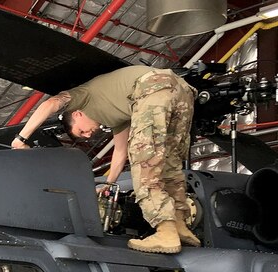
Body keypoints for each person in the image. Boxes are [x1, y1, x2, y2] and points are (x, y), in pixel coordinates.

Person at [11, 65, 199, 254]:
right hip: (181, 90)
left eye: (81, 131)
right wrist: (109, 184)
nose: (87, 135)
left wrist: (21, 138)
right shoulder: (118, 114)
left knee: (145, 161)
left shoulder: (83, 96)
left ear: (77, 114)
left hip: (151, 88)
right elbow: (120, 152)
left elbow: (51, 103)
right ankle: (180, 225)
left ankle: (165, 231)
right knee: (169, 161)